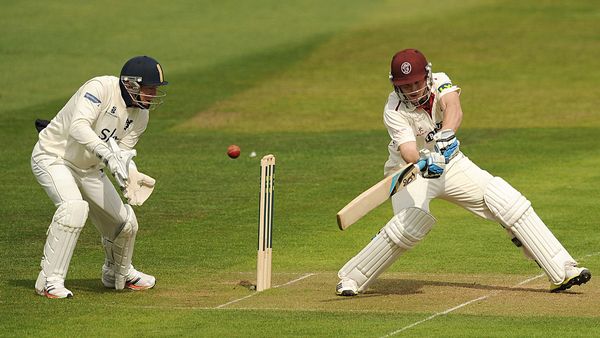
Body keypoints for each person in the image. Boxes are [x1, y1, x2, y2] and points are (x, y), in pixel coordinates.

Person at [336, 49, 591, 296]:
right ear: (395, 86)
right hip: (412, 173)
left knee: (505, 200)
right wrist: (425, 159)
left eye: (416, 82)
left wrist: (446, 137)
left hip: (451, 163)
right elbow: (408, 151)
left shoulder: (441, 81)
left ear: (427, 76)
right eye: (406, 86)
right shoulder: (393, 110)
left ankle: (563, 270)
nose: (413, 90)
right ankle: (352, 278)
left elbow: (453, 107)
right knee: (410, 224)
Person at [31, 56, 167, 298]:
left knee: (125, 223)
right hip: (54, 156)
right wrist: (106, 153)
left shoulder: (141, 116)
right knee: (74, 208)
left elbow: (122, 153)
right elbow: (78, 127)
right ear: (132, 84)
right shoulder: (100, 88)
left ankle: (117, 273)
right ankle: (49, 281)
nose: (153, 94)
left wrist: (130, 175)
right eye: (150, 89)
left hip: (90, 169)